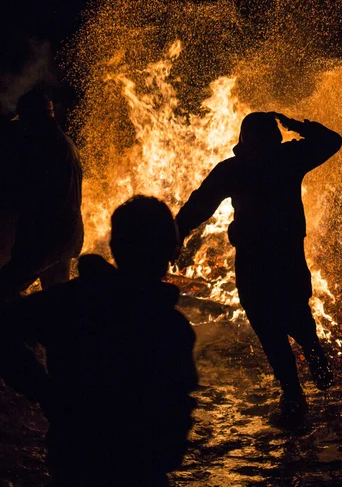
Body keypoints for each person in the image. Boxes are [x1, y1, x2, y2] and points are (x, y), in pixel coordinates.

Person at [0, 195, 198, 487]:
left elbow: (5, 327)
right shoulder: (170, 327)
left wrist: (42, 389)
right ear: (171, 252)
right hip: (140, 472)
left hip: (75, 462)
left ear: (115, 247)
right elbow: (178, 405)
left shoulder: (71, 302)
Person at [176, 111, 342, 420]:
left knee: (268, 327)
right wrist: (297, 124)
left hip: (254, 261)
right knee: (296, 312)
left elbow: (200, 204)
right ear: (276, 136)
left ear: (243, 140)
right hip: (288, 255)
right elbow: (332, 141)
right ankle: (315, 357)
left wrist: (176, 231)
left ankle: (293, 390)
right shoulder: (289, 158)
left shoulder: (234, 169)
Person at [0, 87, 83, 301]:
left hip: (45, 237)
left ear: (31, 117)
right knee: (57, 297)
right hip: (67, 235)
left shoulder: (43, 147)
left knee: (5, 288)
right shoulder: (66, 143)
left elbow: (23, 194)